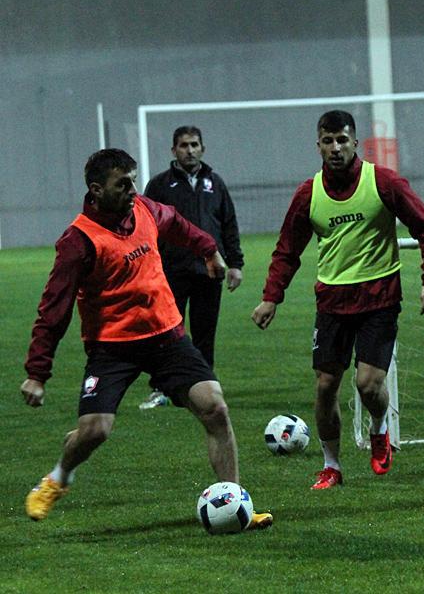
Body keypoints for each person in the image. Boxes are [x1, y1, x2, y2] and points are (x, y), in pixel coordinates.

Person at [21, 148, 271, 528]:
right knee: (95, 430)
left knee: (215, 409)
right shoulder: (78, 241)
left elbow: (177, 224)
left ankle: (236, 506)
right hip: (112, 348)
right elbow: (54, 309)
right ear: (96, 190)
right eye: (123, 184)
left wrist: (208, 249)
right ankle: (58, 478)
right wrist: (37, 373)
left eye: (134, 181)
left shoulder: (144, 209)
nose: (133, 191)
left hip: (166, 336)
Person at [251, 110, 424, 489]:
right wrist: (271, 297)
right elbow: (287, 250)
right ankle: (332, 466)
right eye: (328, 141)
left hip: (379, 298)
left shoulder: (383, 182)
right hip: (332, 303)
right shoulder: (309, 194)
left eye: (342, 140)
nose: (336, 148)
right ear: (318, 146)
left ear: (356, 142)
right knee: (326, 386)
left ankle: (379, 428)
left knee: (368, 385)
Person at [140, 126, 244, 409]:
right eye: (184, 145)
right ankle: (161, 388)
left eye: (194, 145)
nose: (190, 150)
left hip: (209, 272)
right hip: (171, 271)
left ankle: (204, 387)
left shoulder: (215, 183)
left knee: (205, 333)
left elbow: (229, 224)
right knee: (166, 333)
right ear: (174, 150)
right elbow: (147, 227)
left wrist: (235, 264)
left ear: (202, 148)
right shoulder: (159, 185)